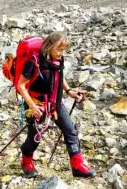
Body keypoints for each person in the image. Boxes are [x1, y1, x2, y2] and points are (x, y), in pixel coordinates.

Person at [17, 31, 97, 178]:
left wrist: (69, 91)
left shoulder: (57, 61)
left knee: (70, 130)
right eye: (59, 49)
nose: (61, 53)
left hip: (55, 102)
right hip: (37, 103)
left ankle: (77, 165)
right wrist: (33, 107)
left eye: (63, 50)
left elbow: (59, 75)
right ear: (49, 46)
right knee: (35, 137)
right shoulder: (33, 61)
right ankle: (26, 161)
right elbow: (21, 86)